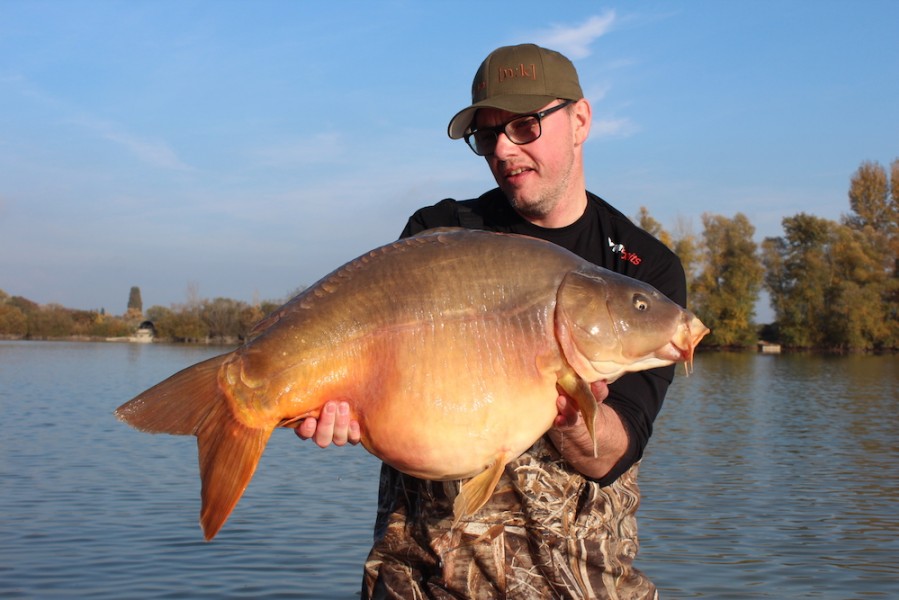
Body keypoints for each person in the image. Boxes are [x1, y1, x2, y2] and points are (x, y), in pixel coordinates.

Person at [296, 43, 686, 599]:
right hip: (422, 579)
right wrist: (344, 405)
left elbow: (617, 451)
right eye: (487, 135)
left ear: (580, 120)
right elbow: (391, 391)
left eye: (525, 126)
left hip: (581, 584)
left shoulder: (642, 271)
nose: (503, 150)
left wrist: (574, 416)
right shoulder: (441, 230)